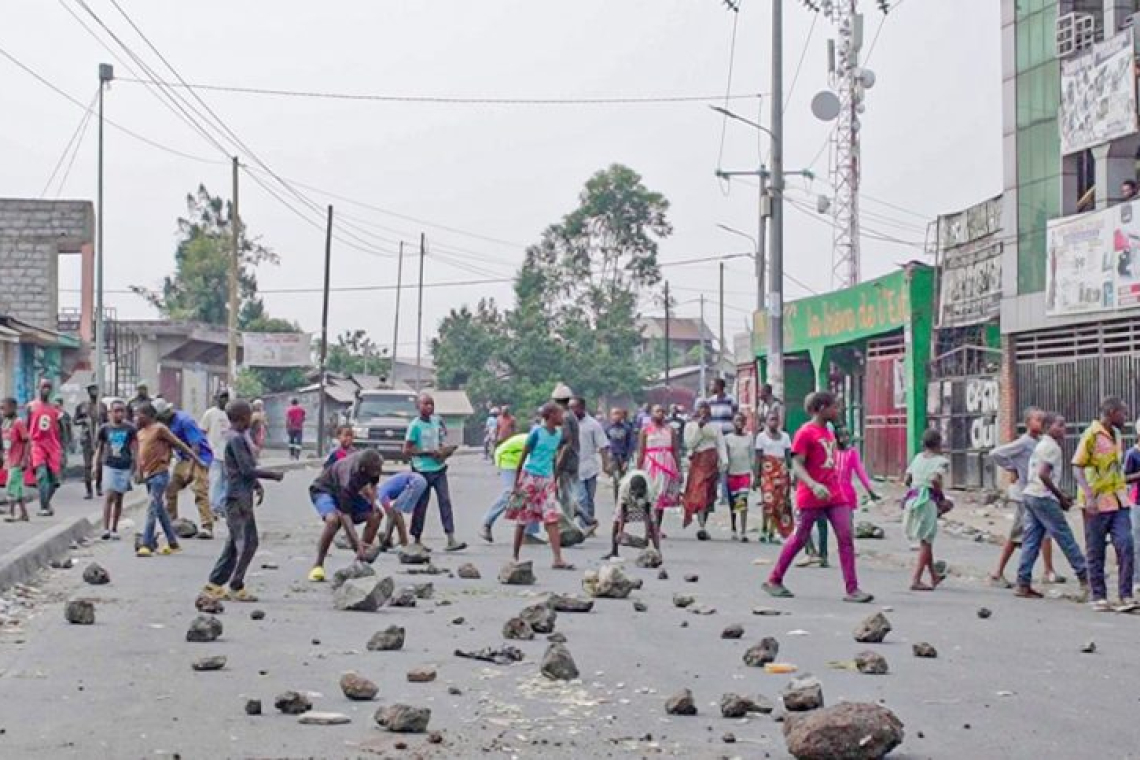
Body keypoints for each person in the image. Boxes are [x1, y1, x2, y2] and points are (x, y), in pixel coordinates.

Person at [763, 391, 873, 603]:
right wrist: (812, 484)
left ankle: (852, 588)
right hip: (812, 494)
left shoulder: (829, 432)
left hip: (834, 492)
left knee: (845, 535)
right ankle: (774, 579)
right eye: (835, 407)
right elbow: (796, 464)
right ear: (822, 408)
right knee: (800, 538)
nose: (837, 410)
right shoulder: (805, 433)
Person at [202, 400, 284, 601]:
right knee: (247, 543)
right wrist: (272, 475)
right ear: (241, 418)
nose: (252, 419)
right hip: (237, 499)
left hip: (240, 497)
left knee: (232, 545)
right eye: (248, 416)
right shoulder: (236, 440)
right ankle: (236, 585)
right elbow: (246, 470)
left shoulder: (235, 438)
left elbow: (242, 470)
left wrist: (256, 484)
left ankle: (214, 584)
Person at [1016, 413, 1089, 600]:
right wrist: (1060, 497)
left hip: (1030, 494)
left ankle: (1023, 582)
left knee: (1031, 540)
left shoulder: (1041, 445)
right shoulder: (1051, 447)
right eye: (1060, 425)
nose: (1064, 429)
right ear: (1049, 427)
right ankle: (1085, 577)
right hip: (1043, 496)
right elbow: (1043, 474)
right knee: (1065, 536)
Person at [1072, 397, 1135, 612]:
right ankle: (1099, 596)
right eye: (1123, 414)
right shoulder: (1090, 435)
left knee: (1126, 544)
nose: (1126, 418)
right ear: (1112, 413)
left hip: (1118, 500)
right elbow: (1077, 467)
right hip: (1096, 502)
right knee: (1095, 549)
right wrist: (1089, 496)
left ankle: (1126, 594)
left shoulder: (1116, 435)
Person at [988, 408, 1063, 588]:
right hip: (1025, 495)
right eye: (1037, 420)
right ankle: (997, 573)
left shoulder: (1041, 443)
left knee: (1043, 532)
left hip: (1037, 494)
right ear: (1028, 423)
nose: (1041, 423)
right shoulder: (1024, 442)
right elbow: (996, 453)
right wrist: (1011, 467)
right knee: (1017, 535)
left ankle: (1048, 570)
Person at [505, 401, 574, 570]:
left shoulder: (557, 434)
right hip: (530, 477)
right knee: (523, 517)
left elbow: (555, 454)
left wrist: (554, 476)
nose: (562, 417)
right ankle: (515, 555)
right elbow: (524, 454)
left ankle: (557, 558)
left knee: (551, 517)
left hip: (547, 478)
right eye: (559, 414)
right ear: (550, 416)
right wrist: (516, 482)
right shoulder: (536, 432)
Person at [804, 426, 881, 568]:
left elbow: (860, 472)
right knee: (818, 524)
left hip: (845, 496)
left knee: (846, 528)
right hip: (826, 492)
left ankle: (845, 554)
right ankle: (821, 554)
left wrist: (870, 490)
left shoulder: (852, 454)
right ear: (836, 437)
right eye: (843, 436)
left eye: (848, 435)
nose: (846, 439)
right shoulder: (830, 453)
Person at [134, 402, 203, 557]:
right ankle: (173, 543)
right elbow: (140, 454)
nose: (136, 417)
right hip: (148, 475)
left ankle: (146, 544)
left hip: (160, 473)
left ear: (149, 416)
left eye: (139, 414)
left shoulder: (159, 429)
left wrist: (196, 459)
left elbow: (180, 444)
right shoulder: (140, 433)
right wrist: (139, 472)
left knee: (152, 507)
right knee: (160, 510)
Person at [307, 449, 386, 582]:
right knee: (333, 521)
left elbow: (372, 485)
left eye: (379, 470)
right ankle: (318, 565)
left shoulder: (373, 464)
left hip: (350, 494)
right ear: (363, 469)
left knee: (376, 515)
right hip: (325, 490)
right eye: (374, 471)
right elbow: (345, 515)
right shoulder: (348, 477)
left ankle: (359, 562)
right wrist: (356, 544)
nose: (377, 473)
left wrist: (372, 504)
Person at [404, 392, 466, 551]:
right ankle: (417, 539)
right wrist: (428, 453)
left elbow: (443, 438)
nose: (429, 407)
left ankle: (451, 537)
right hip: (421, 469)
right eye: (426, 404)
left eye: (431, 404)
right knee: (421, 505)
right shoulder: (415, 426)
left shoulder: (437, 421)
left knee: (445, 501)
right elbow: (407, 450)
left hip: (438, 468)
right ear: (418, 407)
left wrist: (444, 451)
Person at [155, 398, 215, 539]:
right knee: (170, 488)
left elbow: (195, 445)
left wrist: (190, 469)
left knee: (199, 490)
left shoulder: (185, 421)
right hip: (183, 459)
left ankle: (207, 526)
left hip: (199, 457)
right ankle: (171, 523)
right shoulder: (164, 425)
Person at [903, 429, 951, 591]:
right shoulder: (941, 461)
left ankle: (933, 576)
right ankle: (916, 579)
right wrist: (940, 496)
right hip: (927, 501)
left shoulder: (917, 458)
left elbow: (906, 479)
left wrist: (916, 487)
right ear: (939, 443)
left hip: (913, 499)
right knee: (926, 540)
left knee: (925, 539)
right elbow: (934, 479)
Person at [480, 432, 542, 544]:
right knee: (509, 493)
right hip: (507, 459)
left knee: (532, 493)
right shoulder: (536, 441)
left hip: (519, 462)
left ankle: (528, 533)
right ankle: (486, 523)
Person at [93, 399, 137, 540]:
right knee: (109, 496)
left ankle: (114, 528)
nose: (119, 413)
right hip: (109, 465)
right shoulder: (105, 429)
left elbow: (135, 448)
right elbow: (99, 448)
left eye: (121, 410)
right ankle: (105, 528)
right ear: (110, 412)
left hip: (124, 466)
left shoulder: (130, 429)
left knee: (119, 498)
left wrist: (136, 467)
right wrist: (96, 465)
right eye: (116, 410)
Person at [682, 401, 727, 539]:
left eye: (706, 408)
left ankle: (703, 525)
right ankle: (701, 524)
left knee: (708, 494)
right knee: (699, 493)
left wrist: (724, 461)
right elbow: (690, 443)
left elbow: (720, 443)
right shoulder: (690, 426)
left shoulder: (715, 426)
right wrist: (699, 428)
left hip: (711, 461)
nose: (704, 411)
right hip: (697, 462)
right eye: (701, 408)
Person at [639, 404, 682, 534]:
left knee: (661, 498)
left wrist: (679, 469)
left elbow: (675, 450)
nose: (660, 414)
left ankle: (657, 527)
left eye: (663, 411)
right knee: (650, 497)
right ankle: (648, 528)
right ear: (651, 413)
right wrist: (638, 470)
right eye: (657, 411)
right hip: (650, 464)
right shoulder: (645, 430)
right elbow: (641, 451)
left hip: (666, 465)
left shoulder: (670, 430)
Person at [571, 395, 610, 535]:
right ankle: (583, 527)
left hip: (590, 467)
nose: (572, 410)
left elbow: (603, 446)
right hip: (574, 468)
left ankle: (590, 524)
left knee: (589, 498)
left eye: (574, 407)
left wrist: (606, 465)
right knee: (581, 498)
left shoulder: (593, 425)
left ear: (582, 408)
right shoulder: (568, 424)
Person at [754, 410, 793, 543]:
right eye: (771, 419)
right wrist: (757, 477)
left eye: (776, 419)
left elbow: (788, 457)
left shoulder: (785, 437)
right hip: (767, 472)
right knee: (768, 502)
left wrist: (792, 474)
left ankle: (774, 531)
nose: (774, 422)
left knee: (780, 504)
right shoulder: (761, 437)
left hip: (782, 473)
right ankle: (764, 529)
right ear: (766, 421)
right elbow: (758, 458)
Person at [604, 469, 660, 560]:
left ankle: (657, 551)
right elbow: (623, 511)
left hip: (646, 501)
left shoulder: (649, 490)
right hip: (627, 500)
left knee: (653, 524)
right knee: (616, 522)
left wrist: (646, 536)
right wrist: (620, 532)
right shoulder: (624, 488)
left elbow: (647, 514)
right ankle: (614, 551)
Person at [27, 379, 62, 517]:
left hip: (52, 445)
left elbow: (60, 428)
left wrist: (63, 446)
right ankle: (43, 507)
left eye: (48, 387)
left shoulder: (55, 409)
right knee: (42, 475)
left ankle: (46, 502)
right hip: (37, 444)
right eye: (43, 387)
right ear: (39, 388)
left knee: (55, 481)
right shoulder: (32, 406)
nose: (46, 390)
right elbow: (28, 425)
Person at [377, 470, 428, 550]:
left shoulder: (382, 495)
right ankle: (400, 540)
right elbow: (393, 516)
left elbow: (391, 516)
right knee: (396, 512)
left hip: (415, 482)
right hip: (420, 480)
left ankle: (403, 542)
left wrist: (386, 538)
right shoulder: (383, 487)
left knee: (396, 511)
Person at [200, 390, 231, 517]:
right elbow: (202, 430)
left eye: (226, 397)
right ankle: (215, 506)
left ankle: (222, 505)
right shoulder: (210, 413)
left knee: (227, 480)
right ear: (216, 399)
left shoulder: (230, 413)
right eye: (221, 397)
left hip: (228, 453)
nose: (224, 400)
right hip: (214, 452)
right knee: (216, 480)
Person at [74, 384, 108, 500]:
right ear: (88, 392)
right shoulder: (82, 406)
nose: (94, 392)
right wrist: (84, 420)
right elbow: (75, 420)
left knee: (99, 465)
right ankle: (89, 491)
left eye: (96, 389)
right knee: (87, 466)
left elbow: (107, 423)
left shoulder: (102, 407)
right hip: (87, 439)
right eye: (92, 390)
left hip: (99, 439)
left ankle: (98, 487)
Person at [724, 412, 754, 542]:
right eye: (737, 421)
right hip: (732, 473)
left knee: (743, 500)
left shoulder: (749, 438)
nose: (739, 423)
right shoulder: (728, 438)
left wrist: (754, 472)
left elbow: (752, 456)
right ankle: (733, 528)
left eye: (741, 421)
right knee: (733, 503)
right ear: (732, 423)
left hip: (745, 473)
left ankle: (743, 531)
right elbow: (725, 457)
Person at [1, 397, 30, 523]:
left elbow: (27, 441)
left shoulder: (19, 423)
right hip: (9, 459)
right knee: (18, 488)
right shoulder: (5, 423)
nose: (2, 410)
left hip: (17, 461)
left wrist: (25, 459)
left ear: (12, 408)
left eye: (4, 407)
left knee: (11, 485)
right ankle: (24, 514)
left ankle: (11, 513)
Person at [605, 408, 637, 502]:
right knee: (616, 479)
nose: (616, 416)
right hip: (613, 457)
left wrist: (627, 460)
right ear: (610, 415)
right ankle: (617, 501)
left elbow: (631, 445)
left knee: (624, 480)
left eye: (618, 413)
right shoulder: (607, 428)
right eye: (614, 414)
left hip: (623, 457)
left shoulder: (627, 428)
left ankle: (623, 500)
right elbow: (603, 444)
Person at [1126, 418, 1140, 598]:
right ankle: (1137, 579)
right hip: (1137, 502)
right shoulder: (1133, 454)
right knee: (1137, 543)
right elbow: (1125, 478)